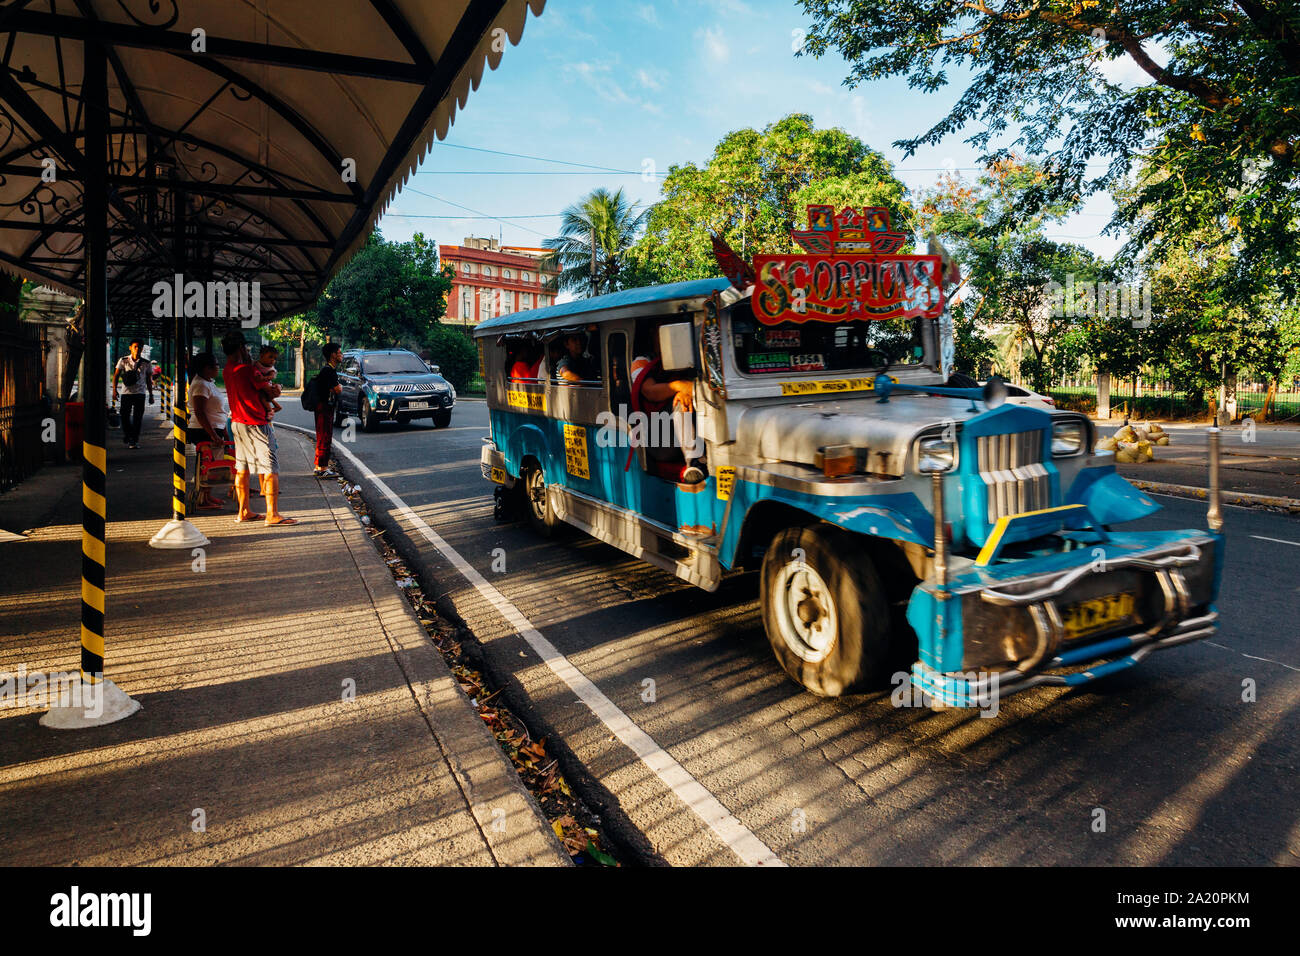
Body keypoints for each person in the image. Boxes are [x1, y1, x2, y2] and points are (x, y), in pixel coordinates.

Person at [222, 332, 295, 526]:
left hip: (237, 423)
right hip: (256, 424)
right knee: (270, 468)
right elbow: (270, 391)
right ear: (240, 348)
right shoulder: (247, 370)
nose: (248, 351)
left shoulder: (227, 370)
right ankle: (272, 514)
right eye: (245, 348)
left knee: (242, 469)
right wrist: (276, 390)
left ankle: (243, 510)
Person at [631, 324, 704, 484]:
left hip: (685, 432)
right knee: (679, 401)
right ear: (654, 334)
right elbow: (650, 391)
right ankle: (693, 461)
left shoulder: (686, 357)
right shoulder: (641, 362)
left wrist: (687, 388)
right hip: (657, 438)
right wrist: (679, 387)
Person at [186, 352, 229, 510]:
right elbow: (200, 412)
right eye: (216, 365)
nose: (218, 367)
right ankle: (202, 499)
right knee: (209, 466)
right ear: (206, 368)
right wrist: (213, 434)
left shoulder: (208, 382)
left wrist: (222, 432)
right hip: (203, 430)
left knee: (212, 464)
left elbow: (217, 410)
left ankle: (207, 495)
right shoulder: (200, 385)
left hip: (213, 429)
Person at [111, 339, 154, 449]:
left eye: (139, 347)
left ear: (142, 349)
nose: (137, 349)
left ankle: (133, 440)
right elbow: (116, 375)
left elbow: (149, 380)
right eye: (135, 346)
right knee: (124, 416)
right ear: (130, 347)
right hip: (126, 393)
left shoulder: (146, 363)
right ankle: (129, 435)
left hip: (140, 393)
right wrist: (114, 390)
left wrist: (151, 395)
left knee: (137, 418)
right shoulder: (123, 360)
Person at [313, 343, 343, 478]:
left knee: (322, 436)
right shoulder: (329, 371)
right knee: (325, 436)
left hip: (323, 406)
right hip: (324, 407)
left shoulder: (328, 370)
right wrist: (339, 387)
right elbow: (337, 389)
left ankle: (319, 465)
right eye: (339, 352)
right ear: (333, 355)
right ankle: (323, 468)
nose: (341, 355)